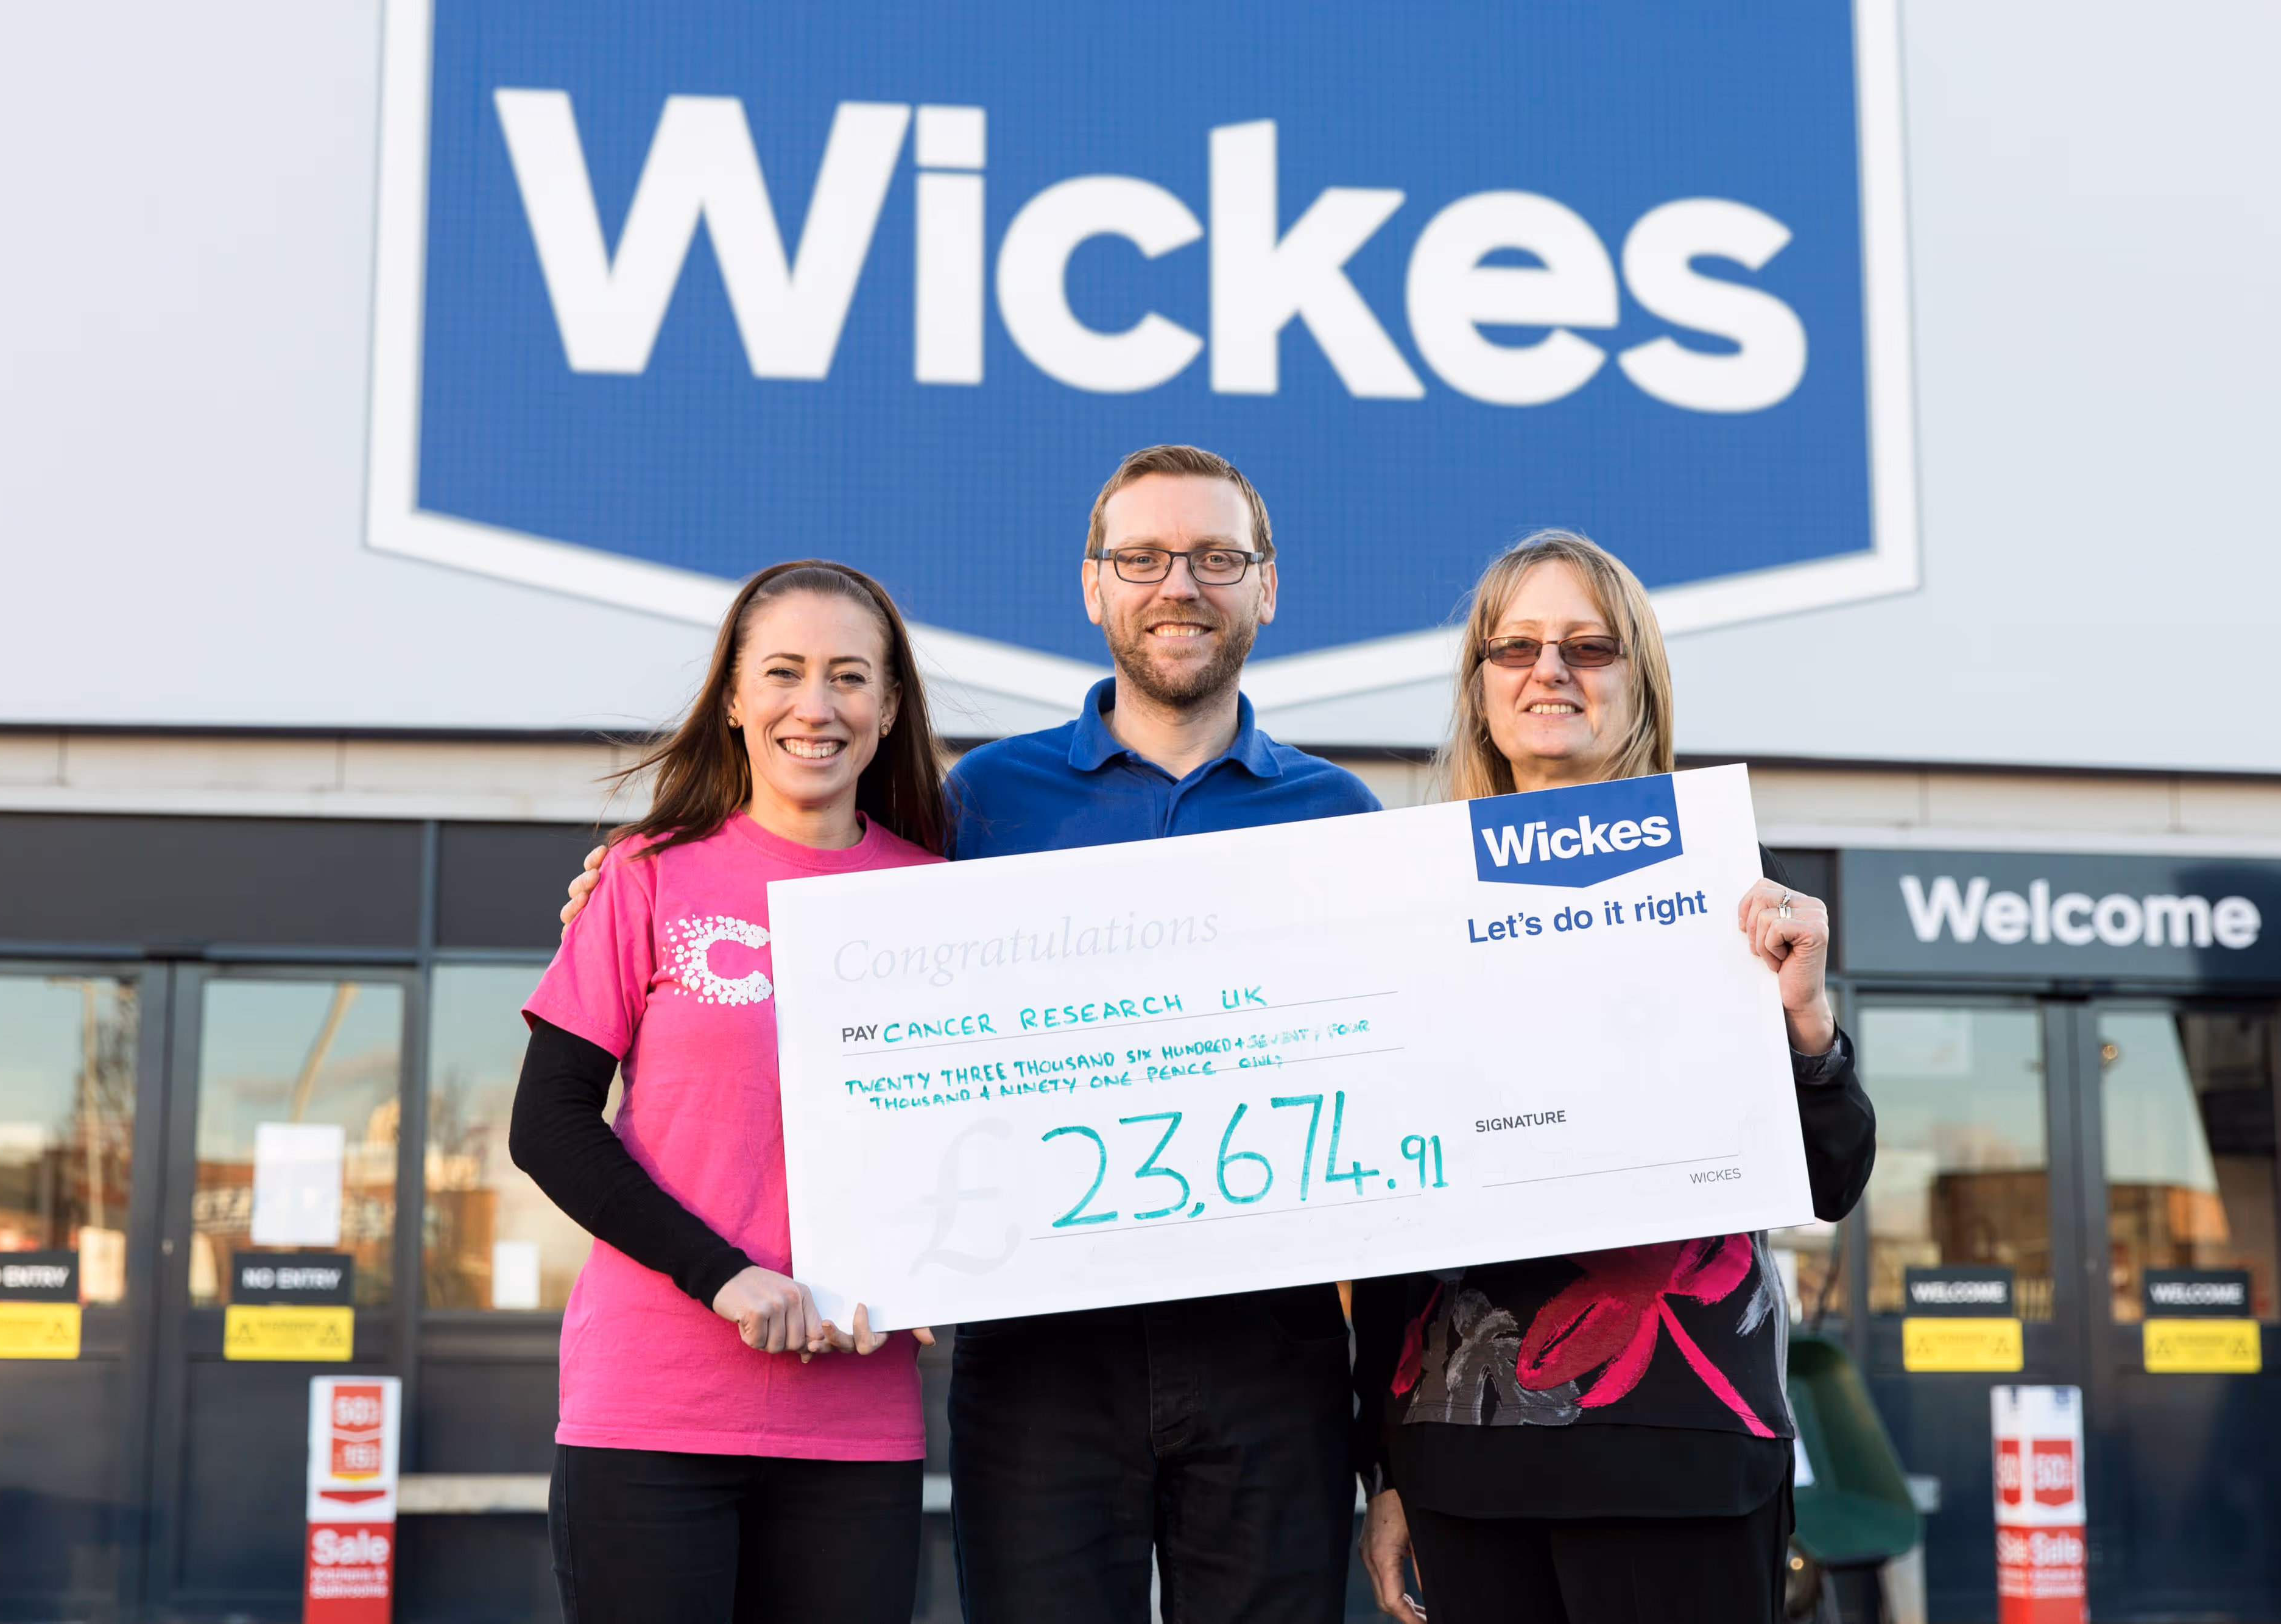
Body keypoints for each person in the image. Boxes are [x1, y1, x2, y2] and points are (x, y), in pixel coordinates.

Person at [561, 445, 1381, 1623]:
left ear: (1267, 585)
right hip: (1040, 1364)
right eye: (1142, 557)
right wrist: (631, 886)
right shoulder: (978, 805)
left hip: (1269, 1360)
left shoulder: (1339, 815)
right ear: (1094, 586)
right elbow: (814, 894)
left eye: (1215, 557)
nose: (1179, 585)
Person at [1350, 530, 1876, 1624]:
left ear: (1639, 682)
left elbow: (1828, 1179)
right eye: (1519, 646)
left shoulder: (1722, 891)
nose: (1551, 670)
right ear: (1481, 686)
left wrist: (1807, 1021)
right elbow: (1390, 1207)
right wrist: (1383, 1464)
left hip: (1678, 1445)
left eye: (1589, 646)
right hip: (1465, 1456)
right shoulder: (1407, 901)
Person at [510, 560, 954, 1624]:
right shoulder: (648, 875)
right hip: (651, 1406)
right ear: (735, 699)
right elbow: (548, 1125)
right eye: (786, 672)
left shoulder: (938, 900)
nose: (817, 705)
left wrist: (942, 1260)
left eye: (850, 677)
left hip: (855, 1421)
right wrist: (725, 1276)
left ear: (890, 709)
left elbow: (976, 1123)